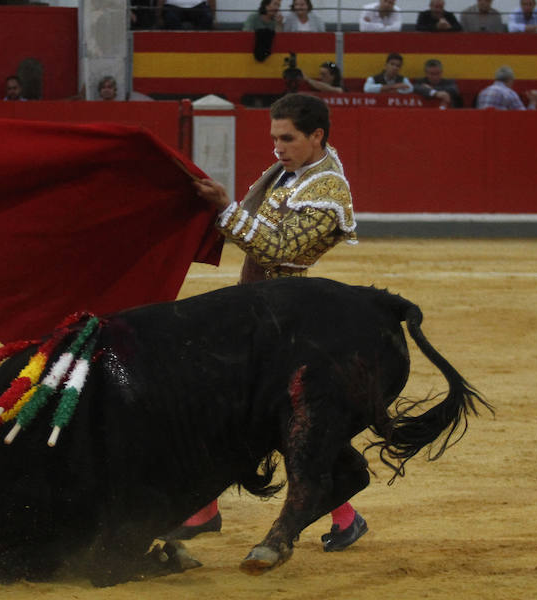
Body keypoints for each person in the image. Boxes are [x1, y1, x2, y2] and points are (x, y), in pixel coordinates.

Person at [178, 93, 363, 553]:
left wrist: (224, 208)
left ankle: (204, 510)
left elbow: (279, 250)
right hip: (259, 307)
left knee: (247, 412)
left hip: (286, 319)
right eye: (275, 138)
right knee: (278, 422)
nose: (278, 147)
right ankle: (345, 515)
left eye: (289, 138)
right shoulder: (289, 173)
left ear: (317, 136)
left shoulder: (328, 190)